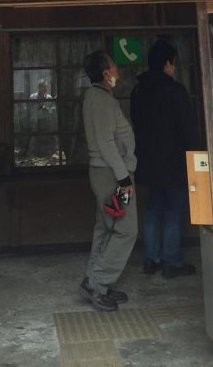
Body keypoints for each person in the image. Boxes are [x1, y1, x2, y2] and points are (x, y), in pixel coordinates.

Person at [130, 39, 199, 278]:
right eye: (173, 63)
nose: (175, 67)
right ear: (168, 63)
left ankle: (152, 258)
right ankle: (172, 261)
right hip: (174, 162)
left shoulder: (138, 90)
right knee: (173, 211)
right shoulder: (175, 90)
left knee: (152, 209)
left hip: (147, 162)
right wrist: (197, 156)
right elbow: (188, 128)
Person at [79, 50, 137, 312]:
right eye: (114, 66)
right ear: (105, 73)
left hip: (106, 172)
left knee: (106, 226)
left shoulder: (97, 97)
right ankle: (98, 282)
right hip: (113, 174)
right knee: (125, 229)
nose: (117, 71)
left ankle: (94, 280)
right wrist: (124, 177)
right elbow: (106, 142)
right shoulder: (101, 100)